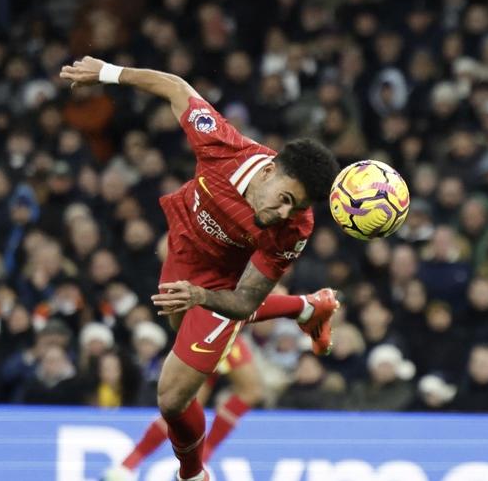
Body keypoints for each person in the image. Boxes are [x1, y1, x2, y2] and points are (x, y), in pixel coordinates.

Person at [62, 56, 341, 481]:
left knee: (173, 397)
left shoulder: (294, 228)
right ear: (268, 171)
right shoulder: (223, 148)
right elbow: (176, 87)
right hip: (183, 248)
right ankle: (306, 308)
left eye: (296, 207)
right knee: (187, 349)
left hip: (222, 281)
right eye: (285, 197)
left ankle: (192, 474)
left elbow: (247, 298)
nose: (286, 212)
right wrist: (108, 73)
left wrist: (202, 296)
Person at [102, 338, 262, 480]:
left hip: (213, 325)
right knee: (250, 390)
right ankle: (199, 465)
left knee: (186, 403)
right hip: (221, 324)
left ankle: (125, 467)